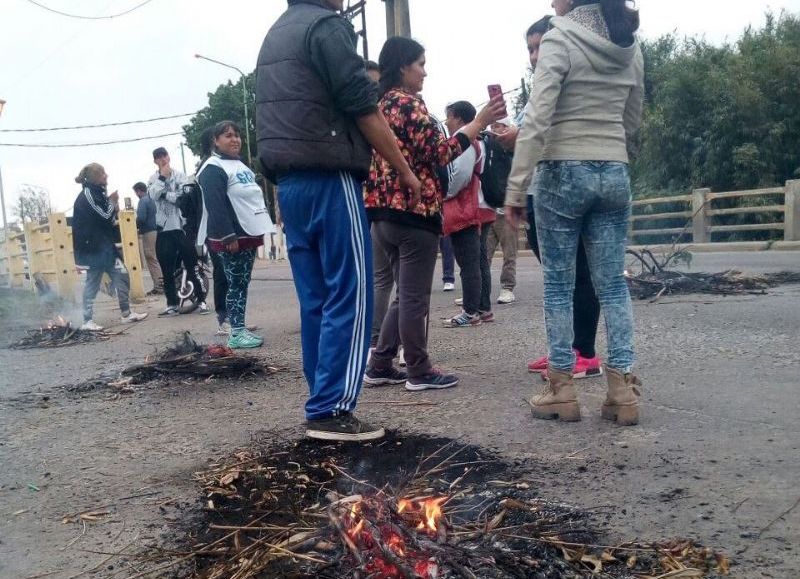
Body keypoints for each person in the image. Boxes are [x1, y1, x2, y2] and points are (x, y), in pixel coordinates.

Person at [256, 0, 422, 441]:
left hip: (289, 186)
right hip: (330, 178)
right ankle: (332, 410)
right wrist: (404, 171)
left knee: (316, 300)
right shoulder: (327, 26)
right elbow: (362, 107)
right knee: (351, 295)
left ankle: (321, 398)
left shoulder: (277, 33)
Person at [505, 0, 644, 425]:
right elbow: (633, 119)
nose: (551, 2)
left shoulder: (559, 36)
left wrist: (516, 186)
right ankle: (622, 390)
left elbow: (538, 117)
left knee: (559, 287)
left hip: (562, 169)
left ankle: (561, 389)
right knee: (612, 286)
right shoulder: (629, 42)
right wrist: (614, 153)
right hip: (614, 168)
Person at [363, 36, 506, 391]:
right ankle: (419, 369)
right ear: (403, 67)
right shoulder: (409, 105)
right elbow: (440, 153)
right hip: (414, 211)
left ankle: (381, 362)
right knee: (413, 297)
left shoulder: (379, 104)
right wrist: (477, 124)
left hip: (382, 213)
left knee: (403, 294)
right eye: (421, 64)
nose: (425, 72)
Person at [495, 15, 603, 380]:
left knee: (579, 271)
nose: (534, 55)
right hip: (542, 190)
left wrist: (519, 134)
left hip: (566, 188)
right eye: (529, 48)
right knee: (559, 275)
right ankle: (565, 348)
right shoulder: (541, 84)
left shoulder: (571, 81)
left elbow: (544, 128)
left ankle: (584, 353)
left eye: (540, 46)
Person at [198, 121, 274, 349]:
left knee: (242, 282)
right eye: (228, 136)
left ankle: (239, 325)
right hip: (232, 238)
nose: (235, 140)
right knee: (236, 284)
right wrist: (228, 236)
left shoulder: (239, 165)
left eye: (237, 135)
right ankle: (235, 331)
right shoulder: (212, 168)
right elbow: (216, 204)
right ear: (216, 141)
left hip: (248, 232)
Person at [72, 163, 148, 330]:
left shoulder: (97, 193)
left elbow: (107, 217)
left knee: (122, 275)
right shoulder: (88, 196)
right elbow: (105, 216)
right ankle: (86, 321)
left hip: (105, 247)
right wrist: (112, 202)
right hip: (92, 248)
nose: (106, 176)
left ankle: (126, 314)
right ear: (95, 177)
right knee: (92, 283)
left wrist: (111, 203)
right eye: (103, 174)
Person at [441, 100, 496, 327]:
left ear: (459, 118)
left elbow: (459, 179)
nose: (447, 121)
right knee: (478, 260)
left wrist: (441, 193)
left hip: (464, 209)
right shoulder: (477, 142)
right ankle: (481, 307)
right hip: (475, 206)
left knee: (469, 262)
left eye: (449, 117)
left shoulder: (465, 141)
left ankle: (471, 311)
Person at [147, 146, 209, 316]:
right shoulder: (153, 178)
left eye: (164, 155)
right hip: (163, 229)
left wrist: (165, 194)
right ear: (155, 161)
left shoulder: (181, 176)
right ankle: (171, 304)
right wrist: (162, 178)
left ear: (168, 156)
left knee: (192, 265)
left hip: (181, 227)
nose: (163, 160)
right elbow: (152, 194)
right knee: (166, 269)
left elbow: (183, 198)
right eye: (158, 157)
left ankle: (201, 300)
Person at [133, 181, 163, 295]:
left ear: (138, 191)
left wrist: (133, 226)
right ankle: (160, 284)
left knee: (151, 258)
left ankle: (159, 286)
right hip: (155, 230)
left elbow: (141, 218)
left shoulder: (143, 201)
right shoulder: (151, 200)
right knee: (154, 258)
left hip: (148, 232)